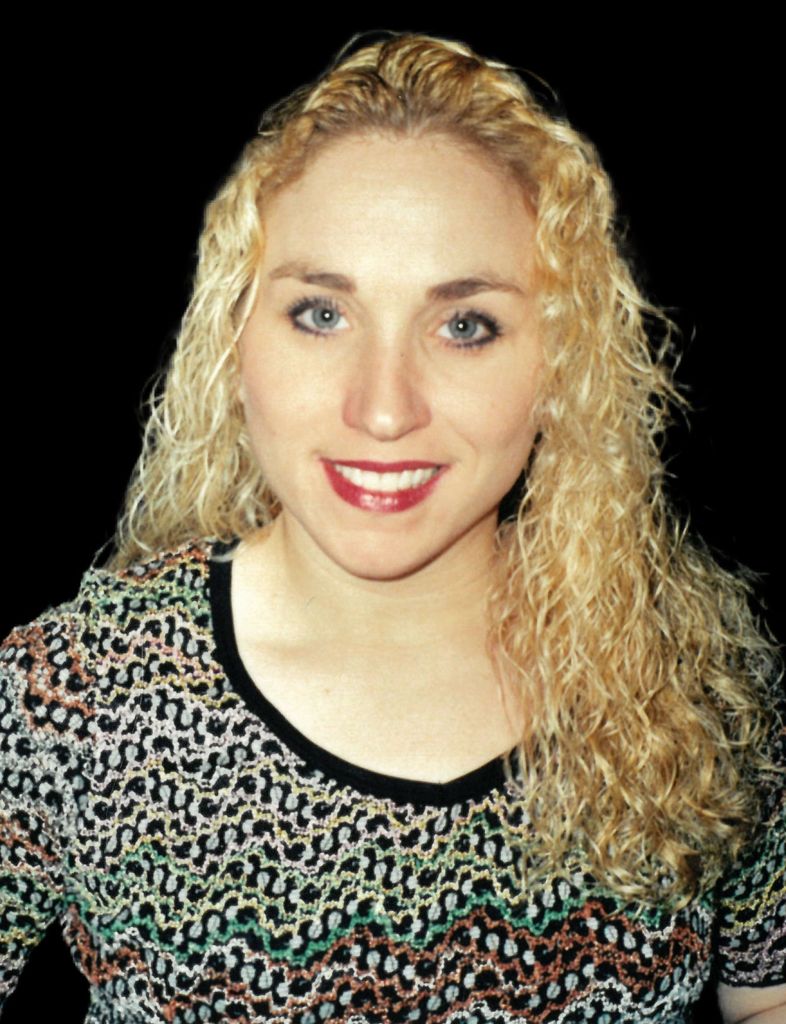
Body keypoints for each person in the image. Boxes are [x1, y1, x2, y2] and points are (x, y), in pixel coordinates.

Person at [1, 31, 784, 1024]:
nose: (382, 409)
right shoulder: (77, 696)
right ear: (234, 342)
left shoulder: (694, 682)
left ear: (563, 367)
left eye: (465, 326)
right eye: (321, 314)